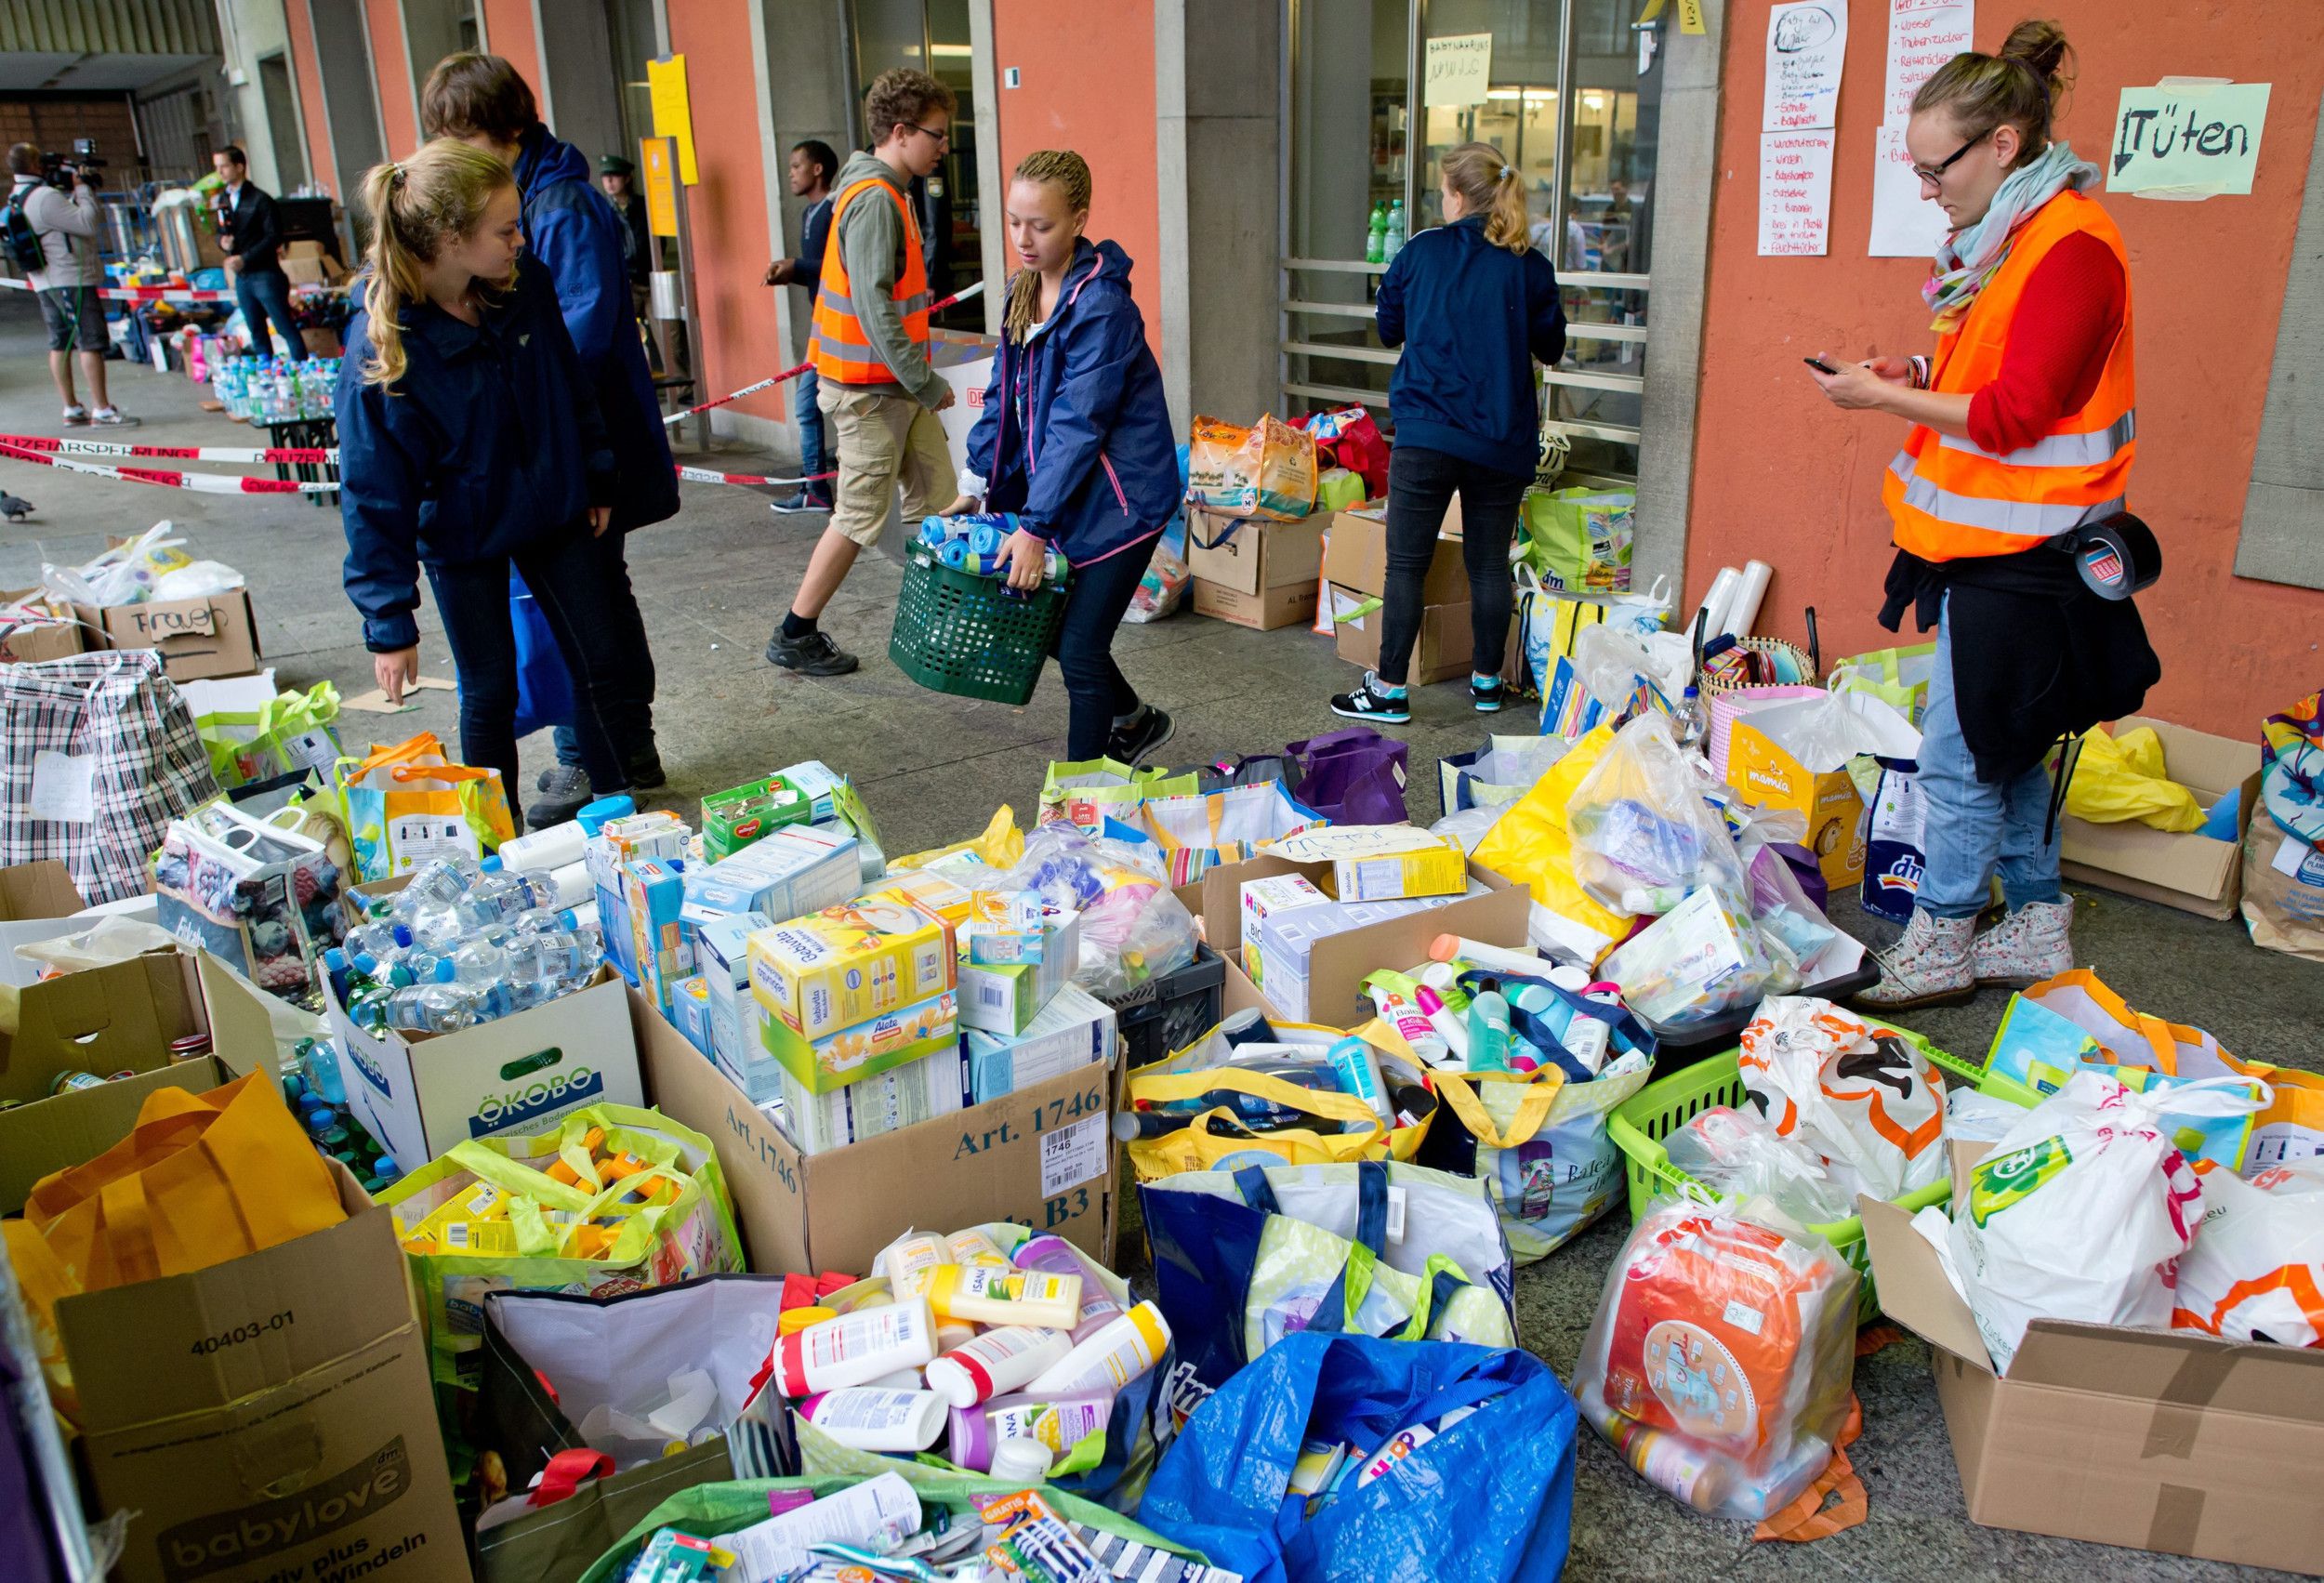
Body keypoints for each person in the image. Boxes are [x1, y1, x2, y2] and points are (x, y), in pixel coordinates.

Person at [1812, 20, 2156, 1008]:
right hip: (1997, 542)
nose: (1927, 188)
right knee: (2010, 737)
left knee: (1961, 750)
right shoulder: (2011, 236)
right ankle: (2037, 920)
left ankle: (1943, 939)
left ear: (2001, 144)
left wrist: (1880, 402)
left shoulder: (2068, 247)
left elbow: (2016, 413)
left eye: (1935, 167)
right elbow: (1990, 374)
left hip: (2027, 545)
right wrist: (1911, 372)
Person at [337, 140, 648, 833]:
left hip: (557, 508)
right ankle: (497, 839)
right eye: (505, 229)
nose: (521, 239)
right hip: (463, 534)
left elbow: (570, 385)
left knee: (599, 662)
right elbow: (371, 489)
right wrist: (388, 622)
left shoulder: (522, 284)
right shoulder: (384, 344)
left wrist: (597, 474)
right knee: (490, 689)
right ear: (450, 240)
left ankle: (618, 818)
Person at [421, 53, 676, 825]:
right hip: (545, 459)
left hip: (565, 456)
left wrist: (573, 457)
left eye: (463, 134)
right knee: (560, 632)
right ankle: (619, 752)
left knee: (587, 619)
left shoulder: (556, 204)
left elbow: (580, 342)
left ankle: (600, 755)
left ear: (502, 129)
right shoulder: (529, 195)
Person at [957, 151, 1179, 765]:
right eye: (1013, 221)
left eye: (1042, 225)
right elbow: (1004, 395)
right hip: (1070, 491)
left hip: (1124, 497)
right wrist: (976, 478)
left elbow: (1078, 425)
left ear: (1079, 219)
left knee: (1079, 646)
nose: (1024, 239)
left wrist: (1034, 526)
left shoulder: (1102, 307)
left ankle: (1077, 803)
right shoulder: (1021, 290)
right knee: (1055, 631)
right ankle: (1134, 720)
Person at [1331, 141, 1564, 724]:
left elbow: (1388, 328)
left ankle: (1388, 691)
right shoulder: (1529, 265)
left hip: (1427, 434)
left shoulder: (1420, 253)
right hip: (1500, 440)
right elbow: (1553, 346)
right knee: (1489, 565)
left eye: (1443, 189)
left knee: (1405, 565)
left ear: (1457, 195)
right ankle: (1487, 684)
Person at [767, 70, 958, 678]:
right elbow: (877, 310)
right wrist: (924, 380)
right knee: (857, 515)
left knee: (940, 499)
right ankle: (796, 631)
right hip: (872, 392)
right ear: (900, 132)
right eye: (937, 133)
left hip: (887, 387)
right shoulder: (876, 198)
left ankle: (942, 623)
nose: (945, 145)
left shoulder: (877, 190)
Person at [5, 143, 137, 427]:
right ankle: (102, 409)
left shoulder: (17, 196)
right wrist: (83, 189)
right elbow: (87, 224)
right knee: (90, 342)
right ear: (35, 165)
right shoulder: (45, 197)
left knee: (60, 343)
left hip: (45, 282)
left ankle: (72, 407)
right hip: (68, 279)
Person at [762, 139, 838, 514]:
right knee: (808, 406)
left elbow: (835, 269)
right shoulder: (808, 214)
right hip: (820, 324)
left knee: (808, 405)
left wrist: (796, 265)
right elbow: (815, 273)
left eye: (796, 166)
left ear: (818, 169)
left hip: (834, 328)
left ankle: (818, 490)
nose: (791, 173)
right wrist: (789, 272)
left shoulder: (832, 209)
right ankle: (817, 489)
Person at [213, 145, 307, 363]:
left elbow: (274, 237)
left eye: (224, 166)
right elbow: (219, 231)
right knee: (256, 330)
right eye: (217, 167)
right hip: (243, 278)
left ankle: (302, 370)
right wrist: (222, 241)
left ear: (239, 167)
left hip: (265, 273)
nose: (220, 172)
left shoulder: (260, 200)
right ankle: (267, 373)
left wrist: (245, 258)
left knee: (283, 326)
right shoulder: (223, 201)